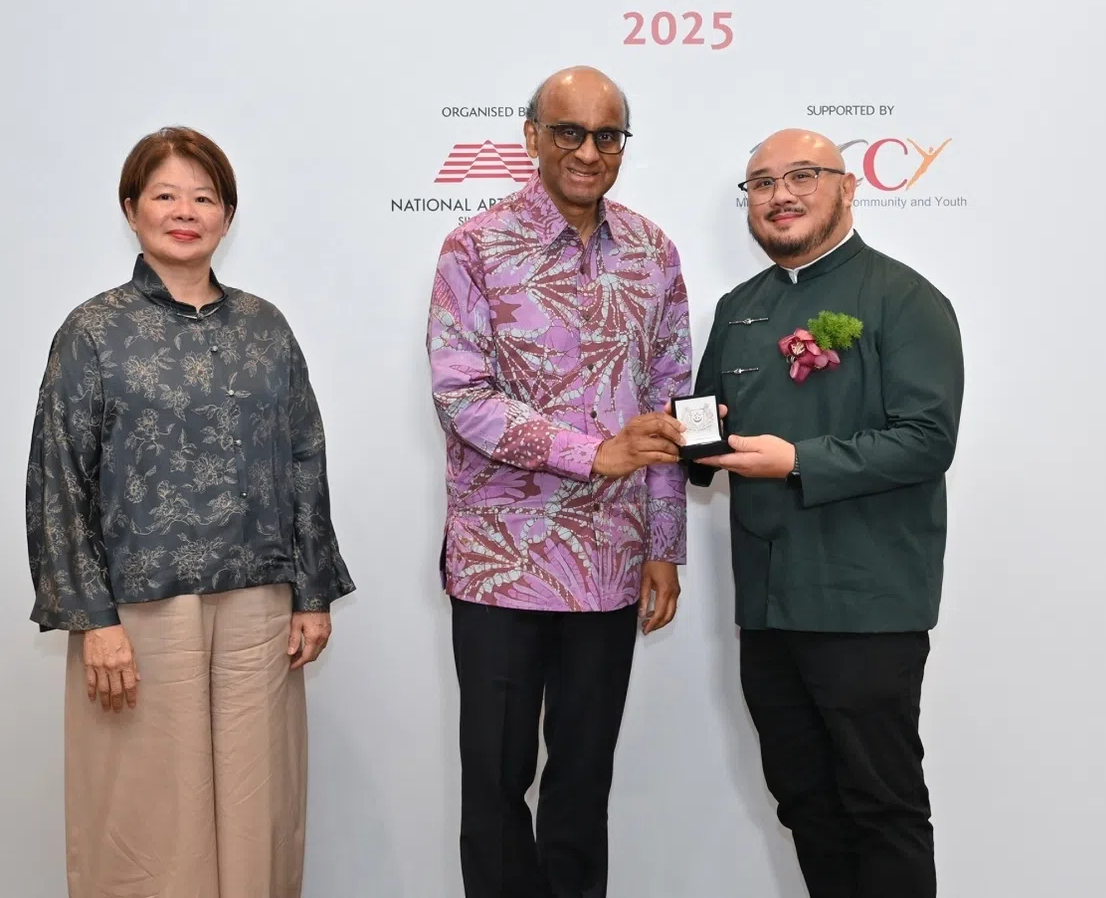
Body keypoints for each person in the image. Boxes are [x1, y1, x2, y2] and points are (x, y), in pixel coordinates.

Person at [25, 126, 355, 898]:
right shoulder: (93, 330)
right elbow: (58, 481)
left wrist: (311, 593)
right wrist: (92, 619)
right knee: (145, 819)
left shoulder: (266, 326)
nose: (185, 211)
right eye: (166, 195)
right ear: (131, 209)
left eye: (203, 197)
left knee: (257, 812)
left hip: (259, 607)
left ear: (227, 215)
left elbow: (305, 456)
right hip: (138, 614)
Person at [427, 66, 691, 898]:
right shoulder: (474, 245)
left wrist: (665, 542)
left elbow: (669, 408)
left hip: (611, 569)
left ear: (621, 146)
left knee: (582, 787)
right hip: (502, 567)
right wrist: (591, 452)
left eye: (606, 135)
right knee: (497, 787)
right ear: (533, 136)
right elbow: (460, 396)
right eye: (569, 132)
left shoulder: (654, 252)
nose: (587, 151)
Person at [689, 128, 964, 898]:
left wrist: (798, 462)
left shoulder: (904, 297)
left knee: (882, 806)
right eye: (761, 182)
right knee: (804, 800)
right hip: (770, 606)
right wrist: (667, 440)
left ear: (848, 187)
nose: (780, 195)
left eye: (802, 175)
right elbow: (707, 430)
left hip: (867, 603)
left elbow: (926, 440)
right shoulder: (739, 308)